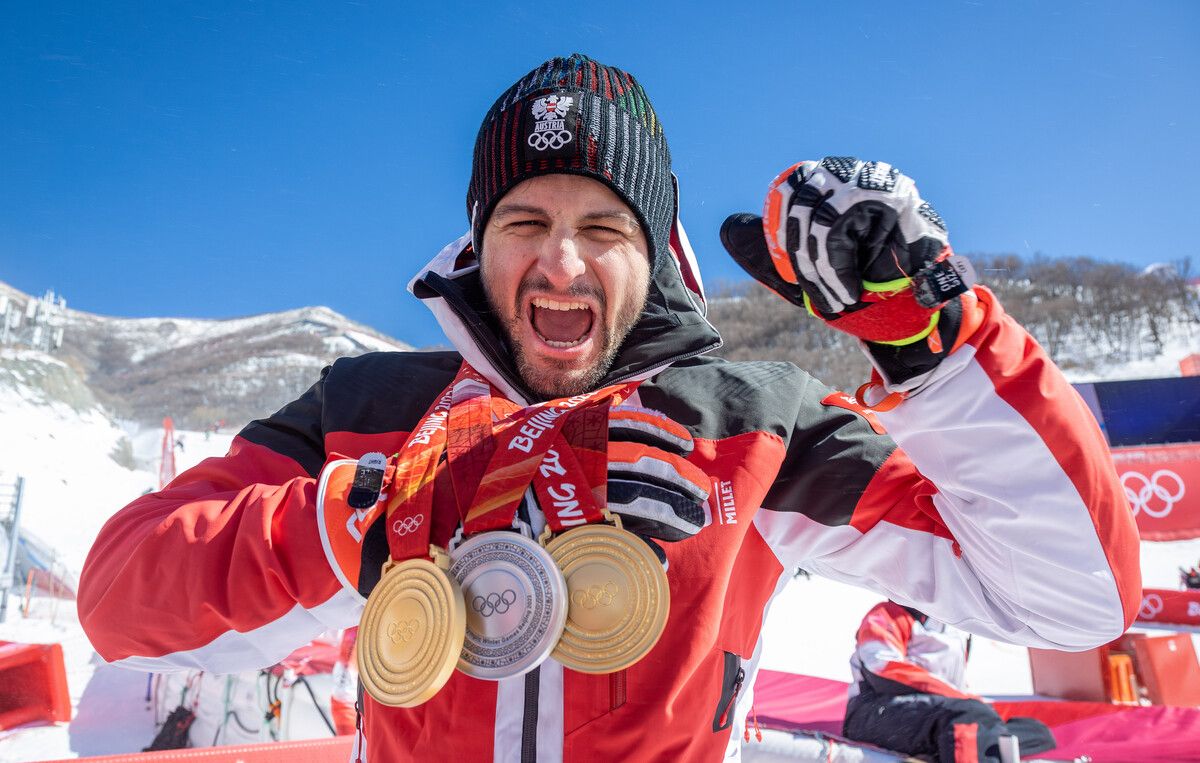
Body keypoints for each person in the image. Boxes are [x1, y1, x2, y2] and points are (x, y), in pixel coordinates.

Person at [78, 54, 1140, 761]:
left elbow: (1073, 599)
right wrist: (362, 514)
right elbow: (120, 598)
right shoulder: (373, 409)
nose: (560, 258)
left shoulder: (753, 421)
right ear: (476, 248)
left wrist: (935, 349)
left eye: (605, 227)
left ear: (656, 259)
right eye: (524, 219)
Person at [843, 601, 1055, 762]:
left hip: (938, 712)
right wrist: (963, 702)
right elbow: (883, 670)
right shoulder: (890, 613)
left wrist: (973, 708)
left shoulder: (956, 629)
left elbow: (956, 682)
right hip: (874, 711)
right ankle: (978, 745)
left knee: (1037, 731)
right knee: (968, 718)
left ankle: (981, 746)